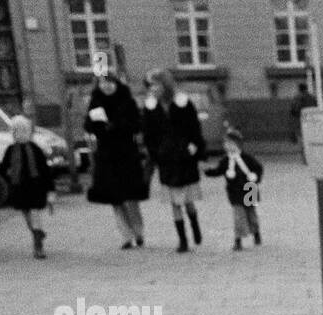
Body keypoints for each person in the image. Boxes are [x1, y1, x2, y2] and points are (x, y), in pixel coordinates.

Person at [142, 68, 205, 252]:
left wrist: (195, 147)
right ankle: (183, 240)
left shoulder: (183, 103)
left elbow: (195, 127)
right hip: (166, 159)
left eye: (155, 84)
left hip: (184, 156)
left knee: (187, 200)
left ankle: (194, 223)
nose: (152, 88)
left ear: (165, 84)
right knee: (174, 202)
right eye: (150, 85)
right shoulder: (150, 107)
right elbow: (148, 133)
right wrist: (155, 153)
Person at [84, 71, 149, 249]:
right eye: (103, 83)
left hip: (126, 154)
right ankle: (126, 236)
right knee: (115, 198)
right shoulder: (95, 102)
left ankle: (139, 232)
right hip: (106, 155)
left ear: (116, 83)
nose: (106, 86)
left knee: (130, 196)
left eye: (109, 82)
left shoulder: (127, 101)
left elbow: (137, 124)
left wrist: (117, 125)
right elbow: (88, 126)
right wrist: (97, 123)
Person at [0, 114, 53, 259]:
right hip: (19, 188)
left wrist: (51, 190)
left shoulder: (35, 149)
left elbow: (46, 171)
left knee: (35, 214)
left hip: (36, 187)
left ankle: (38, 246)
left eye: (23, 130)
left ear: (29, 132)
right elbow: (3, 168)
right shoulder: (10, 150)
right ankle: (38, 233)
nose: (20, 134)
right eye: (16, 131)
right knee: (27, 215)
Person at [202, 127, 263, 251]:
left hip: (250, 188)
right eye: (226, 144)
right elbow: (218, 171)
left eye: (231, 143)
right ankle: (238, 240)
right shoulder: (225, 161)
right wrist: (207, 171)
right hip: (234, 191)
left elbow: (258, 168)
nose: (228, 146)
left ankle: (256, 232)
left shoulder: (247, 158)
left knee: (251, 213)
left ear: (238, 145)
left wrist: (255, 177)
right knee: (238, 216)